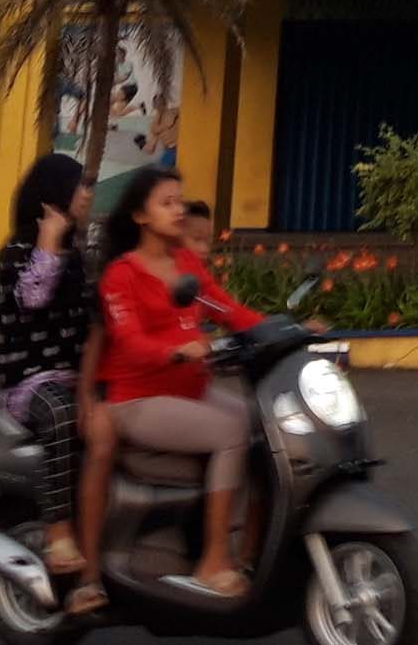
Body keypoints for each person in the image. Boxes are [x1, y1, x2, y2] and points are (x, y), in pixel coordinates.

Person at [98, 167, 265, 599]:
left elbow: (226, 309)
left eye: (180, 201)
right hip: (139, 399)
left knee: (264, 423)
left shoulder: (187, 263)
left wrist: (285, 329)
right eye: (166, 203)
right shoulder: (122, 274)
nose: (178, 210)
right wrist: (175, 351)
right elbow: (129, 341)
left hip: (189, 392)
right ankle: (213, 560)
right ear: (140, 215)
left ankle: (250, 548)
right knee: (232, 430)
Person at [0, 152, 113, 616]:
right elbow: (33, 299)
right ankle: (58, 531)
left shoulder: (79, 255)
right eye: (79, 186)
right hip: (28, 382)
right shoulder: (20, 252)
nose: (87, 194)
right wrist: (47, 242)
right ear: (55, 195)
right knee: (61, 413)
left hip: (77, 376)